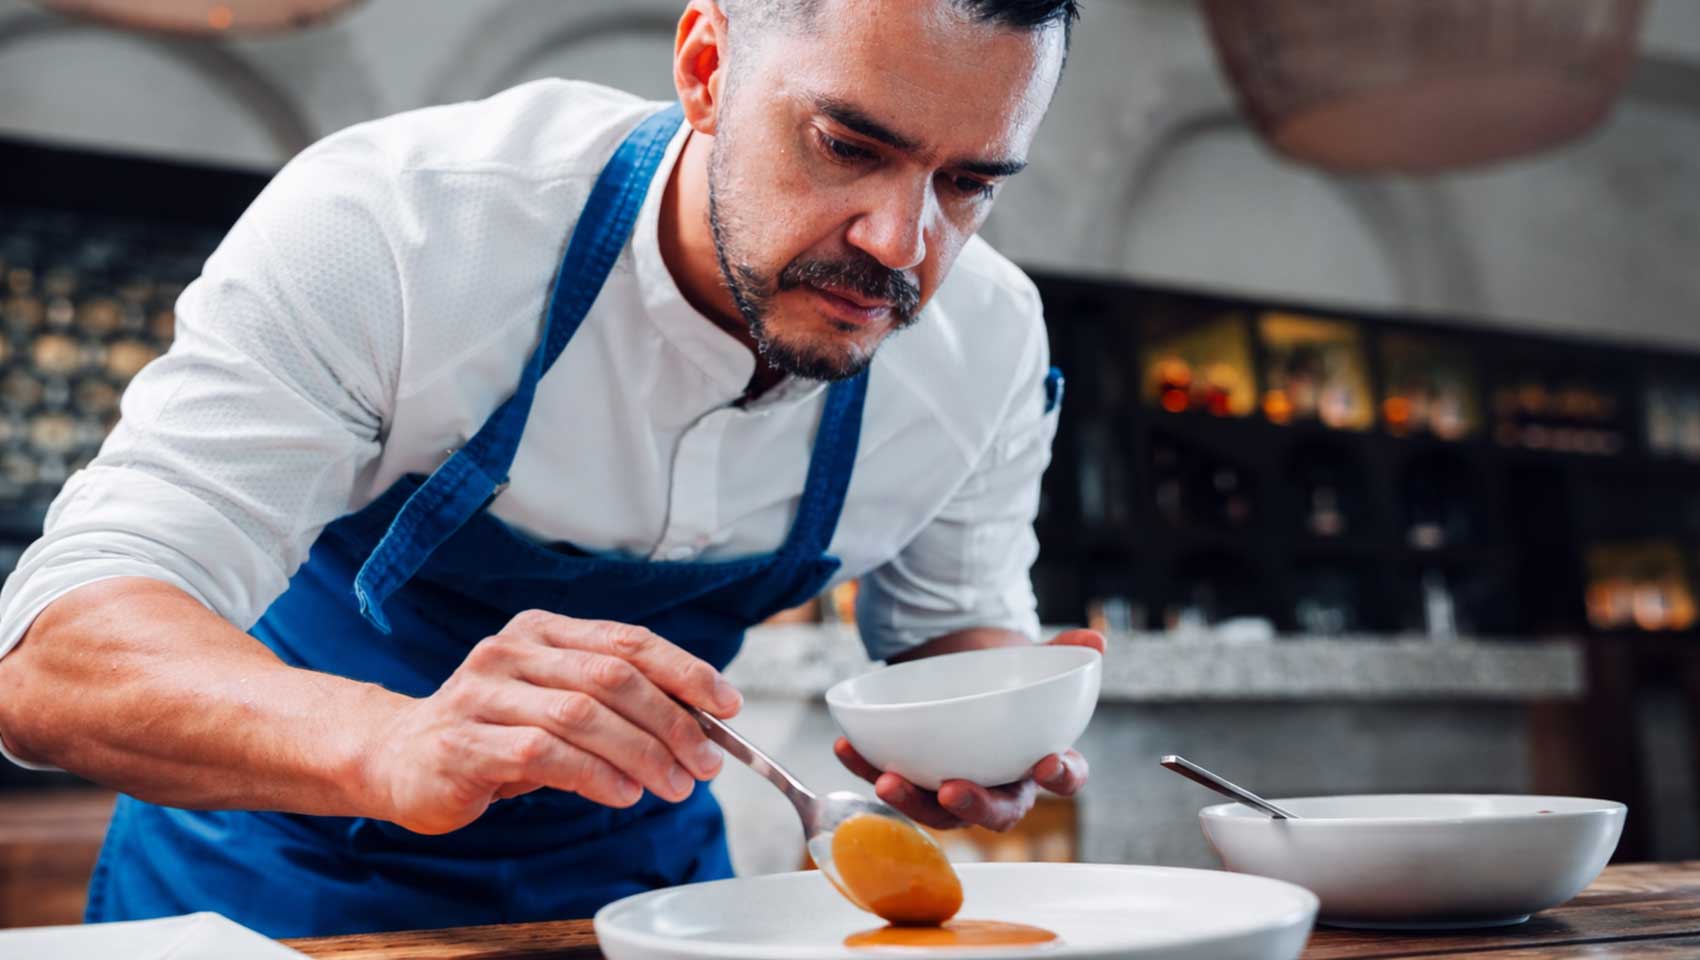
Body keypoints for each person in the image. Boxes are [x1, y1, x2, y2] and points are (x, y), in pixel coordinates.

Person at [0, 0, 1101, 938]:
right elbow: (53, 663)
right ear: (706, 70)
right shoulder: (404, 226)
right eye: (847, 147)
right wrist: (396, 739)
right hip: (271, 891)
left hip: (640, 906)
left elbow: (951, 631)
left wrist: (987, 727)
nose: (900, 244)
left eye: (967, 183)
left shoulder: (988, 345)